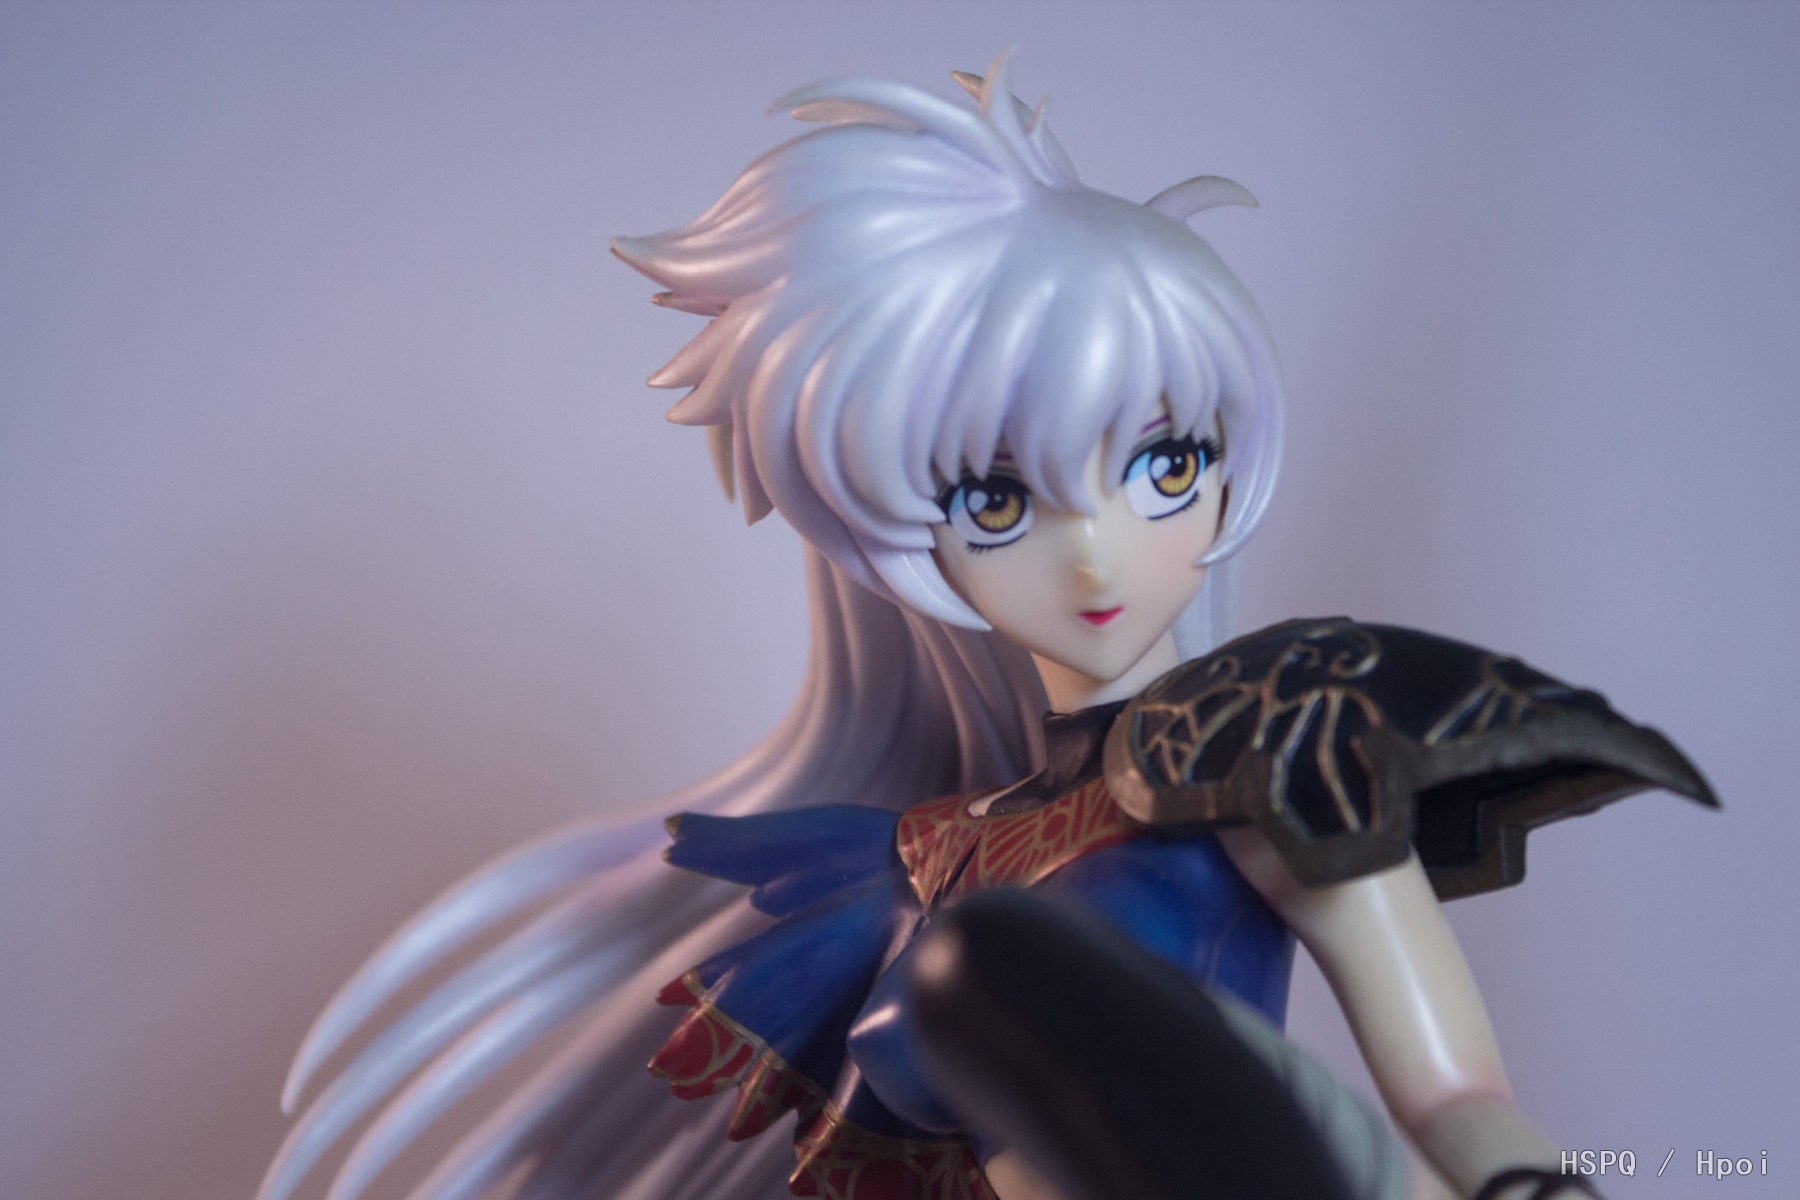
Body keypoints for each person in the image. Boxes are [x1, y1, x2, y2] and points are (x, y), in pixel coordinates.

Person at [260, 51, 1710, 1200]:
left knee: (983, 971)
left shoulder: (1265, 740)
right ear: (903, 533)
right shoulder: (927, 864)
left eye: (1164, 465)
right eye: (997, 498)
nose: (1096, 549)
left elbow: (1453, 1091)